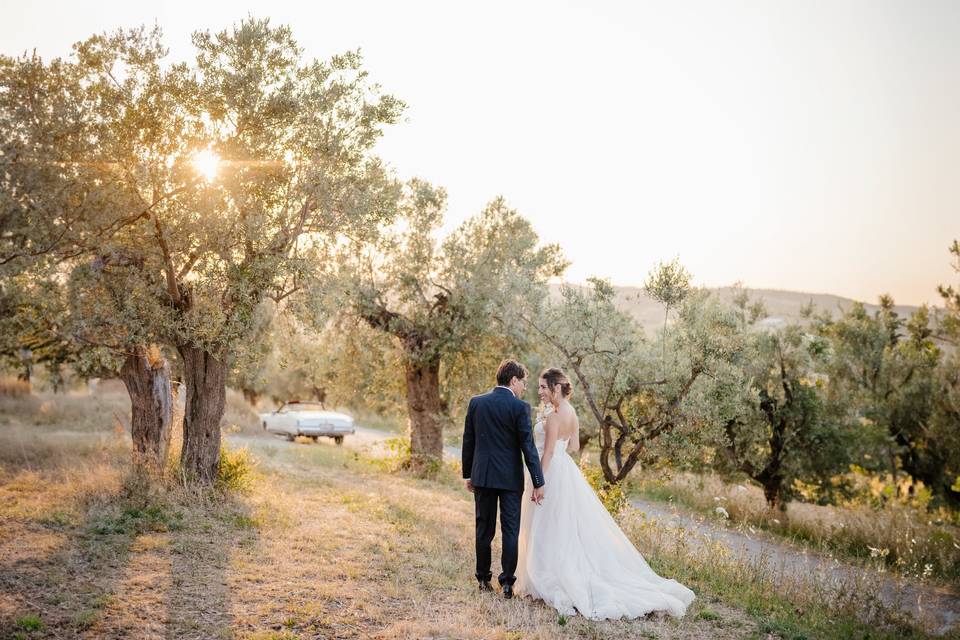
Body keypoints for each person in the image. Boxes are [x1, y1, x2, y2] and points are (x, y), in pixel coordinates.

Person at [515, 367, 695, 619]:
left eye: (544, 387)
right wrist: (556, 443)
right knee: (563, 525)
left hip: (551, 472)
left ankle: (546, 575)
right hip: (566, 469)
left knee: (547, 524)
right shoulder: (572, 412)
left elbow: (547, 453)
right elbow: (574, 446)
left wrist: (539, 481)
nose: (540, 391)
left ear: (556, 388)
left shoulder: (555, 415)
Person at [462, 359, 544, 599]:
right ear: (513, 380)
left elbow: (469, 441)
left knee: (483, 529)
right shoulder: (520, 408)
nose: (523, 388)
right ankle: (507, 584)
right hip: (510, 480)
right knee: (510, 530)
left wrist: (469, 474)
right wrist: (538, 480)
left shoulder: (477, 402)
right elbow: (528, 447)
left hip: (483, 477)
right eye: (523, 383)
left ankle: (483, 579)